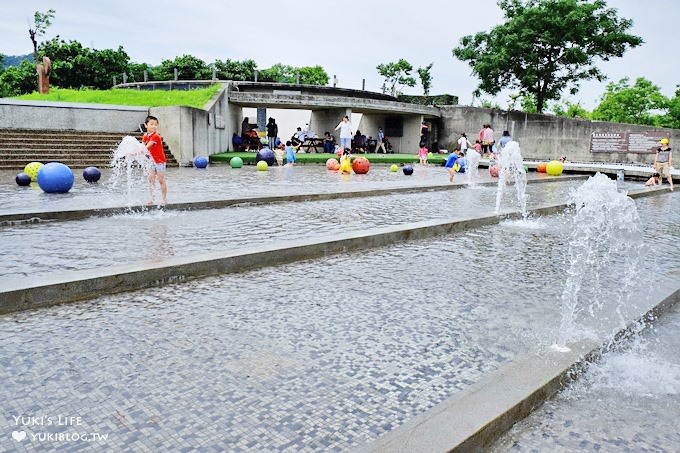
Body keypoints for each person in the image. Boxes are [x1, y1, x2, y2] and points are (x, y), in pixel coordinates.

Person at [141, 115, 167, 206]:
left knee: (161, 180)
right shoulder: (145, 136)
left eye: (155, 125)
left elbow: (146, 147)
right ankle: (152, 199)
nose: (153, 126)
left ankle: (164, 199)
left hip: (160, 161)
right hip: (152, 161)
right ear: (146, 125)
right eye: (151, 124)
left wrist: (137, 151)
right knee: (151, 180)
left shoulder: (156, 136)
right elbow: (142, 146)